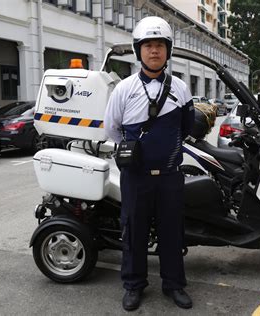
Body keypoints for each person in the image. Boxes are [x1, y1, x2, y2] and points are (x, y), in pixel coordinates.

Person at [104, 16, 195, 311]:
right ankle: (133, 285)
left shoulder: (181, 88)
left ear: (168, 51)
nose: (154, 51)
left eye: (159, 45)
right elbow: (112, 130)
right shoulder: (124, 89)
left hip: (170, 176)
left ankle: (174, 285)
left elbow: (186, 128)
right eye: (148, 45)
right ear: (138, 50)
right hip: (136, 177)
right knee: (134, 231)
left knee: (172, 231)